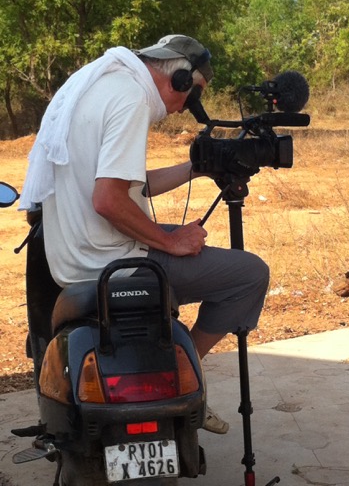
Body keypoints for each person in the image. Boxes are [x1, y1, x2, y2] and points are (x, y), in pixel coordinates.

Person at [19, 34, 270, 434]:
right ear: (181, 79)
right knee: (249, 274)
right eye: (193, 96)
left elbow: (129, 186)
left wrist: (196, 169)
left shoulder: (103, 84)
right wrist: (171, 241)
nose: (188, 108)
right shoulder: (131, 99)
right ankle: (184, 374)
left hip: (78, 253)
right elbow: (108, 200)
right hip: (113, 260)